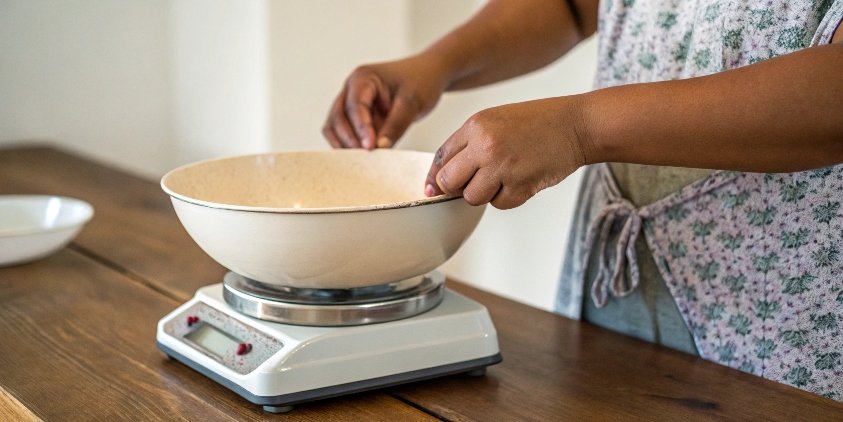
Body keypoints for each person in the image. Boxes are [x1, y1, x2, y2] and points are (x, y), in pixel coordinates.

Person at [323, 0, 843, 399]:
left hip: (790, 320)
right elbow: (574, 6)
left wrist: (578, 126)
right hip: (613, 288)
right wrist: (435, 66)